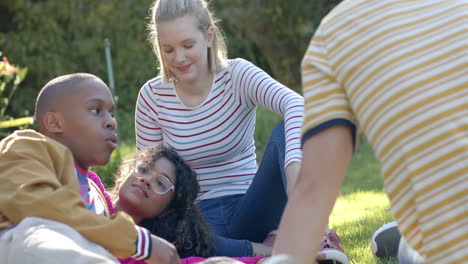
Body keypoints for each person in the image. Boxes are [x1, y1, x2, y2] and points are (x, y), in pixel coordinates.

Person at [135, 0, 348, 262]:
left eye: (187, 45)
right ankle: (271, 247)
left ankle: (317, 235)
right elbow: (150, 180)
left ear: (209, 36)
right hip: (197, 224)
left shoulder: (237, 75)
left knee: (287, 129)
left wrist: (295, 176)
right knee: (185, 238)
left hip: (251, 208)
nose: (178, 58)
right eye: (168, 49)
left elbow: (298, 104)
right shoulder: (151, 97)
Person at [269, 0, 468, 264]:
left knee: (417, 251)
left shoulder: (334, 38)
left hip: (447, 243)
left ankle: (409, 238)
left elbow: (313, 193)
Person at [0, 73, 179, 264]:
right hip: (17, 246)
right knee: (36, 231)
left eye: (112, 113)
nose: (112, 122)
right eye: (96, 110)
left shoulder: (96, 197)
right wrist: (140, 242)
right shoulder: (25, 147)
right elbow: (36, 207)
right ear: (54, 122)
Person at [111, 144, 267, 264]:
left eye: (161, 183)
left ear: (168, 210)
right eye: (143, 169)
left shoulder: (158, 254)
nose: (146, 180)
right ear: (125, 173)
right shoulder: (90, 192)